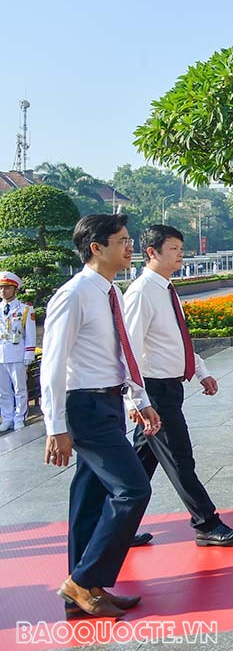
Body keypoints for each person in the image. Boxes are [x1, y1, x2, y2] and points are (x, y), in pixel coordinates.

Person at [41, 214, 161, 618]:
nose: (130, 247)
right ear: (96, 247)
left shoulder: (111, 292)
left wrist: (137, 398)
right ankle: (82, 580)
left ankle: (84, 590)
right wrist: (55, 425)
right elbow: (53, 364)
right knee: (133, 490)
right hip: (85, 406)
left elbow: (119, 354)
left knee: (89, 498)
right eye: (122, 240)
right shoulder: (74, 294)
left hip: (109, 402)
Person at [124, 225, 233, 547]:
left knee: (140, 463)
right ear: (152, 252)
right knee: (180, 459)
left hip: (169, 387)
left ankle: (114, 527)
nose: (181, 255)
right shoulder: (141, 293)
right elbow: (128, 350)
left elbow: (176, 339)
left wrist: (199, 371)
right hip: (154, 392)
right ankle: (207, 523)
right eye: (174, 249)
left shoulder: (166, 289)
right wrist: (135, 400)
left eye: (181, 249)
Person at [0, 272, 37, 432]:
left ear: (15, 289)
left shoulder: (25, 309)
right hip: (1, 354)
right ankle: (7, 417)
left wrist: (29, 353)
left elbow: (30, 333)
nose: (3, 291)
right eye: (1, 288)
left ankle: (19, 417)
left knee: (19, 389)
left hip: (17, 354)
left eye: (7, 288)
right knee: (3, 390)